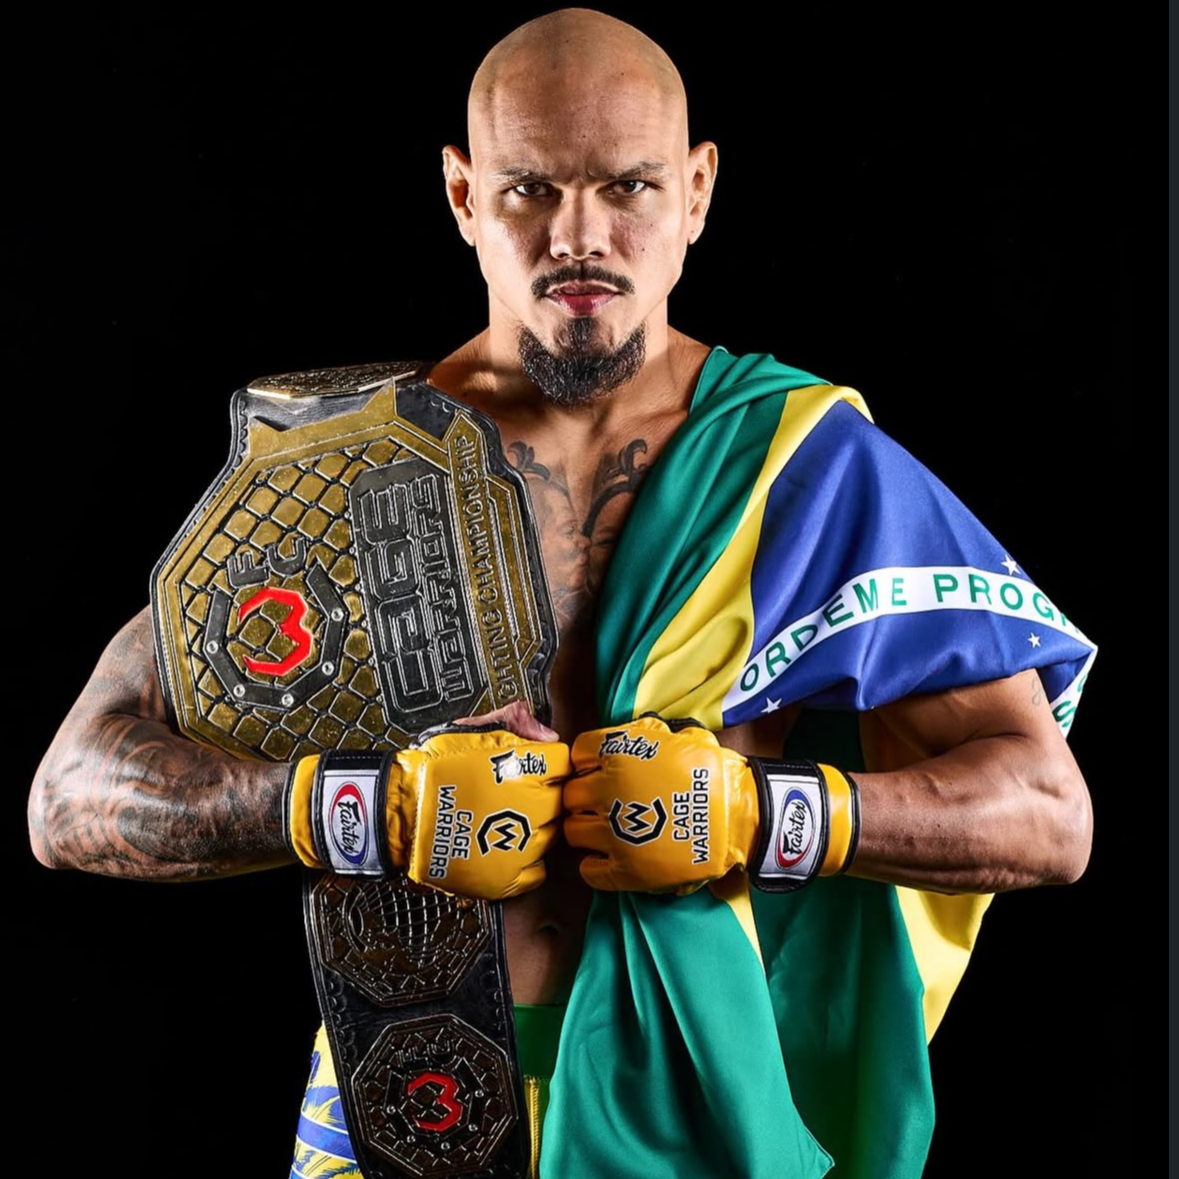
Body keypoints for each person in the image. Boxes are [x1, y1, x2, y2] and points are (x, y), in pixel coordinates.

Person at [27, 9, 1096, 1178]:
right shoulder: (344, 471)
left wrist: (762, 815)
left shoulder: (807, 467)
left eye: (628, 187)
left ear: (695, 194)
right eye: (531, 189)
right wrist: (361, 810)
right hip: (404, 1097)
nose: (578, 237)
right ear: (462, 196)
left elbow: (1047, 814)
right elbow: (71, 796)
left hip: (693, 1124)